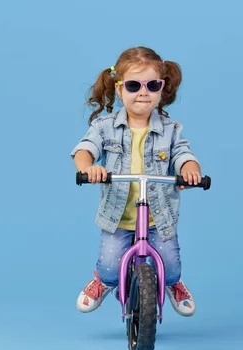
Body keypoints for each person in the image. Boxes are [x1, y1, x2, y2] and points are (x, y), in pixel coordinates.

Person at [70, 46, 203, 317]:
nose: (143, 92)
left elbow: (183, 155)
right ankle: (102, 281)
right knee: (109, 267)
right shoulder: (104, 127)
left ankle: (173, 284)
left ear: (161, 90)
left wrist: (190, 170)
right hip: (117, 217)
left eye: (151, 85)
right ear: (119, 90)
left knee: (170, 267)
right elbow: (84, 149)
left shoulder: (171, 129)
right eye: (133, 85)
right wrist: (89, 168)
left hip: (159, 218)